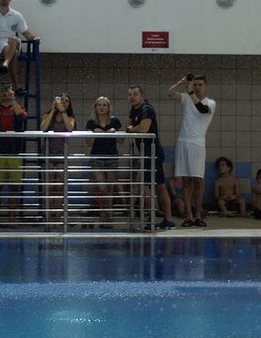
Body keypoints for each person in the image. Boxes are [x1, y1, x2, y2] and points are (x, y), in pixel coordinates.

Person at [167, 72, 217, 227]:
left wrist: (190, 92)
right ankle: (189, 215)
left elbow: (201, 109)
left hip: (197, 143)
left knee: (198, 180)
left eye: (200, 85)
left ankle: (198, 214)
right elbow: (170, 93)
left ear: (205, 86)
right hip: (183, 142)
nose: (197, 87)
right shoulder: (186, 98)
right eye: (195, 85)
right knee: (186, 180)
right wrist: (180, 82)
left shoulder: (210, 103)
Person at [126, 85, 174, 230]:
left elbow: (144, 128)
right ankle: (167, 219)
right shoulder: (134, 109)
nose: (132, 97)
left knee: (147, 186)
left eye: (135, 94)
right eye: (130, 94)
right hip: (146, 153)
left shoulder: (146, 109)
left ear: (142, 95)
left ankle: (153, 217)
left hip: (152, 153)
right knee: (160, 186)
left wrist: (132, 129)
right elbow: (127, 125)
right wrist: (131, 128)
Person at [0, 82, 28, 225]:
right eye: (3, 91)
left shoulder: (19, 107)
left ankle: (12, 220)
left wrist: (13, 98)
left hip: (15, 152)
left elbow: (21, 116)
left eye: (8, 91)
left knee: (14, 188)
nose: (5, 93)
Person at [85, 95, 122, 224]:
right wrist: (94, 133)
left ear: (108, 108)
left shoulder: (115, 121)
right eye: (99, 105)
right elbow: (88, 143)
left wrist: (114, 132)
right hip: (97, 157)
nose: (102, 107)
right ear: (95, 108)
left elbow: (121, 141)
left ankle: (107, 216)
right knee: (102, 188)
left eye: (104, 105)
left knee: (110, 188)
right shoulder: (91, 123)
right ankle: (106, 212)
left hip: (111, 156)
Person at [40, 91, 76, 214]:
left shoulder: (70, 118)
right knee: (49, 186)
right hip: (48, 153)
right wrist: (53, 110)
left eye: (66, 101)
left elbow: (70, 128)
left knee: (60, 186)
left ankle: (58, 214)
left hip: (61, 154)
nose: (64, 103)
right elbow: (43, 128)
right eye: (62, 100)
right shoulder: (47, 115)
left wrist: (63, 111)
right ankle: (49, 213)